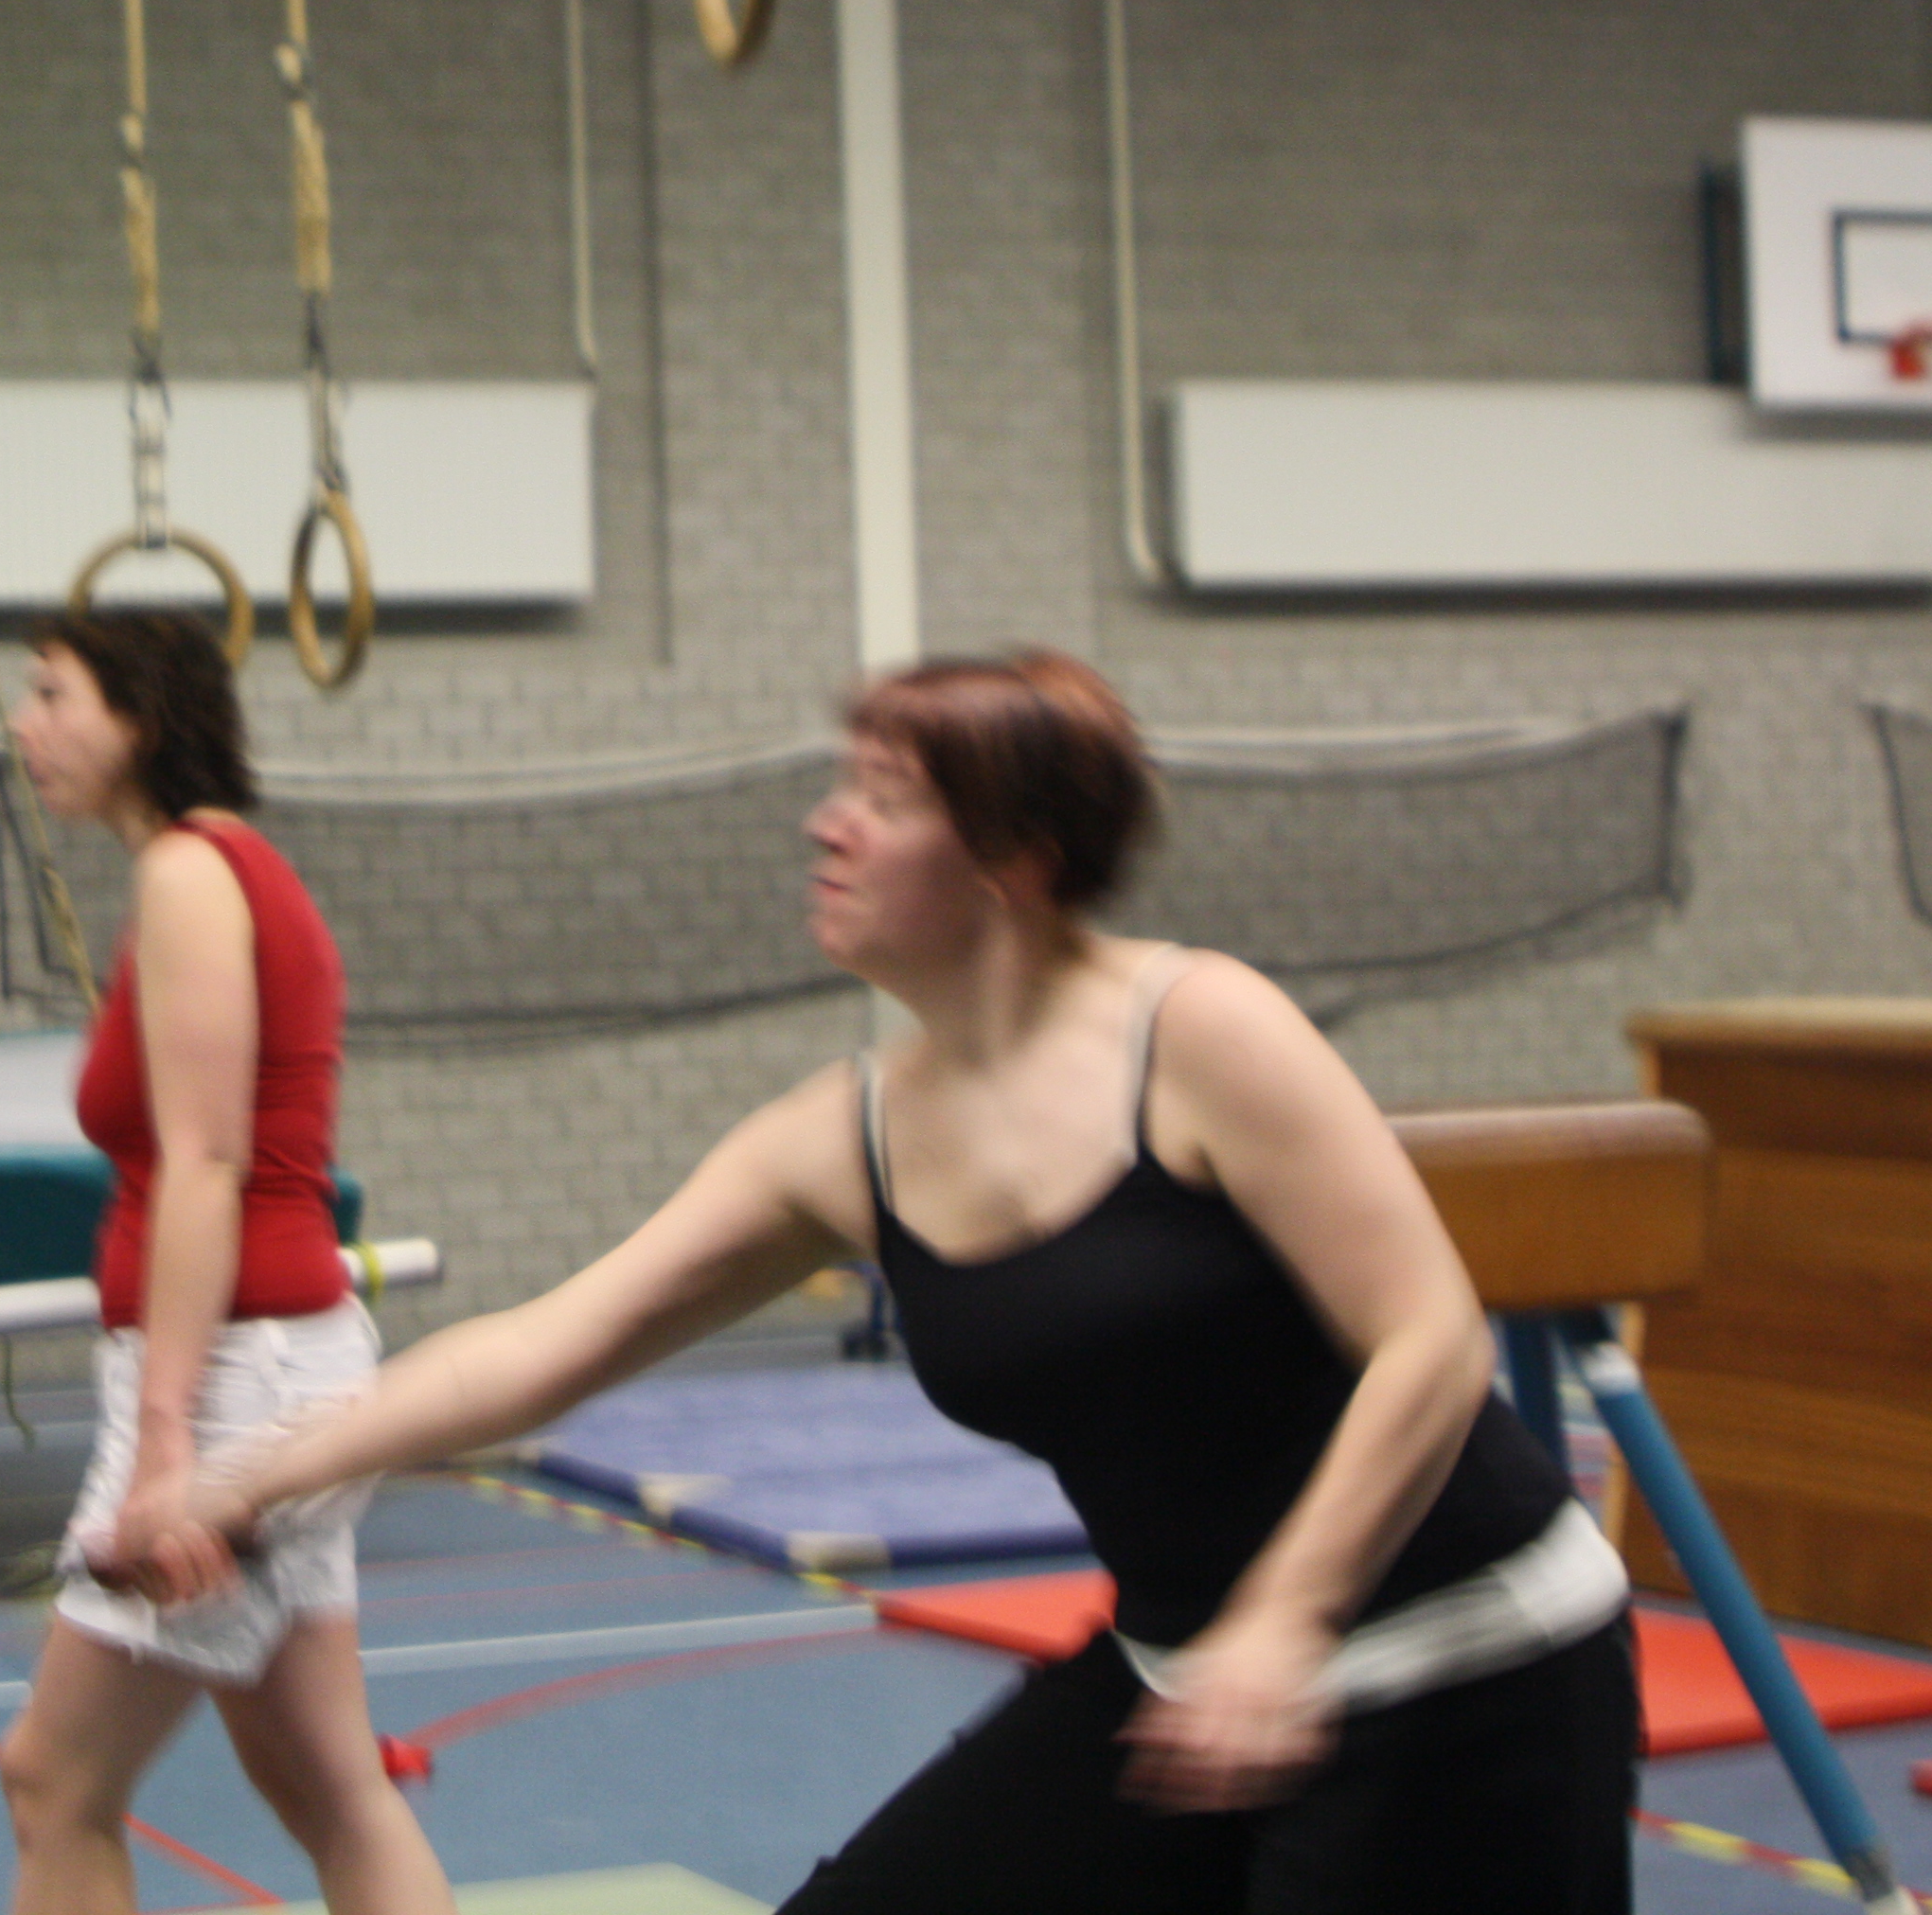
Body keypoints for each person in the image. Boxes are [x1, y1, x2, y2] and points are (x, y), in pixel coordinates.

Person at [125, 650, 1640, 1914]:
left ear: (1015, 859)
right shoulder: (842, 1138)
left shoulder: (1199, 1032)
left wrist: (1286, 1623)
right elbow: (542, 1346)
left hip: (1467, 1667)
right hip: (1187, 1677)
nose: (825, 826)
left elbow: (1429, 1340)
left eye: (884, 798)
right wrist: (244, 1482)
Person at [0, 611, 455, 1915]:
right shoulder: (216, 870)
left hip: (232, 1381)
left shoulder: (191, 874)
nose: (25, 726)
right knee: (328, 1786)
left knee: (53, 1783)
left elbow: (206, 1163)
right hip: (276, 1363)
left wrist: (164, 1445)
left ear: (141, 718)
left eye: (53, 695)